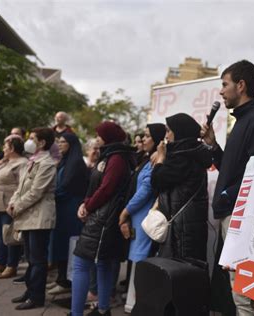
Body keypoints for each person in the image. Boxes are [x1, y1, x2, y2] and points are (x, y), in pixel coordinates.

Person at [200, 60, 254, 315]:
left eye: (225, 84)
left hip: (242, 216)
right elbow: (233, 170)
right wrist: (213, 146)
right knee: (237, 291)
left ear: (241, 86)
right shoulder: (244, 120)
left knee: (244, 294)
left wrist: (226, 194)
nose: (221, 92)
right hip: (232, 213)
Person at [71, 121, 136, 316]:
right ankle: (103, 309)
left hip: (103, 219)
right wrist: (86, 202)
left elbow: (106, 188)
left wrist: (88, 206)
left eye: (99, 135)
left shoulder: (116, 158)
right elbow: (96, 185)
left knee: (82, 264)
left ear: (107, 137)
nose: (96, 138)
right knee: (103, 264)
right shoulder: (113, 156)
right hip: (104, 217)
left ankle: (77, 313)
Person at [8, 127, 57, 310]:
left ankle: (37, 296)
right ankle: (30, 291)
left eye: (32, 138)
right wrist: (13, 202)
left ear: (42, 143)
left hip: (39, 216)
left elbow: (36, 192)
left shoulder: (47, 164)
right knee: (30, 258)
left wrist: (16, 207)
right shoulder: (32, 161)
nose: (28, 141)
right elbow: (20, 188)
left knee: (38, 260)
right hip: (28, 215)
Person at [151, 113, 212, 261]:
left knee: (181, 273)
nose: (166, 136)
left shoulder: (182, 156)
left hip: (182, 229)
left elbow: (157, 180)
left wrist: (160, 159)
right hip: (186, 226)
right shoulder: (190, 152)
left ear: (179, 132)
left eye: (168, 131)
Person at [118, 123, 165, 312]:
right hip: (137, 216)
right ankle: (134, 303)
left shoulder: (156, 161)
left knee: (141, 260)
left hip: (144, 218)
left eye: (147, 136)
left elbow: (145, 190)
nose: (143, 140)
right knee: (137, 261)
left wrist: (125, 212)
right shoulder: (147, 159)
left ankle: (138, 304)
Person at [47, 133, 88, 295]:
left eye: (63, 142)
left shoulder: (76, 162)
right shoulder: (65, 160)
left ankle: (66, 281)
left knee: (66, 245)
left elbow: (67, 187)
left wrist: (51, 196)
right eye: (59, 142)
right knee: (59, 244)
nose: (60, 144)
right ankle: (60, 278)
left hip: (70, 209)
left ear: (71, 144)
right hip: (61, 207)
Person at [0, 136, 27, 278]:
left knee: (9, 235)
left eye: (5, 146)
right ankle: (0, 263)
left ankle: (11, 265)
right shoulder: (6, 161)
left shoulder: (22, 163)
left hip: (8, 204)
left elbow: (22, 185)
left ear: (13, 148)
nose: (3, 149)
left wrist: (15, 203)